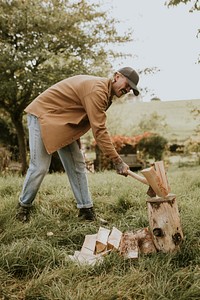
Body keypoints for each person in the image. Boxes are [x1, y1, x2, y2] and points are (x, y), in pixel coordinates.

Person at [16, 67, 140, 223]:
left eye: (130, 89)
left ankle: (86, 211)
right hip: (42, 115)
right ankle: (23, 207)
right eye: (127, 84)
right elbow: (100, 131)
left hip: (61, 122)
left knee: (77, 163)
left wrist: (75, 138)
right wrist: (118, 161)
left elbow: (78, 114)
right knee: (39, 166)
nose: (127, 90)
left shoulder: (105, 92)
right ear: (116, 76)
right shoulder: (98, 90)